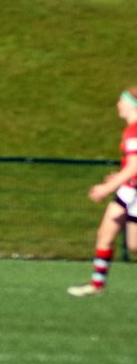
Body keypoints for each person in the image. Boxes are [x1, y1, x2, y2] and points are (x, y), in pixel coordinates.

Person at [67, 86, 137, 296]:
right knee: (105, 233)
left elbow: (134, 166)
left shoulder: (134, 131)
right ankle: (97, 285)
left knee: (134, 245)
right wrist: (119, 178)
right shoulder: (130, 130)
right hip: (128, 190)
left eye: (121, 101)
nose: (118, 105)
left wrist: (106, 188)